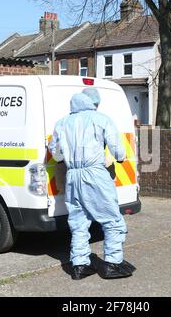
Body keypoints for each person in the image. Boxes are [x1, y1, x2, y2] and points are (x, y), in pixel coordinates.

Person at [49, 90, 136, 280]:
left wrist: (67, 158)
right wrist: (119, 158)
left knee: (78, 222)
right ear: (93, 103)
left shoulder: (62, 123)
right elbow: (118, 150)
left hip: (73, 175)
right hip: (94, 173)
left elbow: (55, 152)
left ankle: (79, 265)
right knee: (112, 220)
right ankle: (113, 262)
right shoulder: (101, 119)